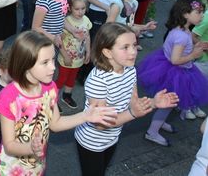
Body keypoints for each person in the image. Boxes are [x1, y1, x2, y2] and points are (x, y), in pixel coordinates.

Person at [0, 31, 117, 175]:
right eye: (45, 62)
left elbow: (55, 123)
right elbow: (9, 145)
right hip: (9, 169)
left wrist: (85, 116)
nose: (53, 67)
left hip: (37, 167)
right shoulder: (9, 96)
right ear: (25, 64)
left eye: (53, 60)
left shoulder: (50, 88)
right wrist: (30, 148)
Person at [74, 22, 179, 175]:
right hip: (92, 142)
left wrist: (154, 103)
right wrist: (133, 114)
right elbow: (100, 125)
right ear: (107, 52)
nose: (133, 52)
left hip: (113, 137)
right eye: (125, 47)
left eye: (134, 45)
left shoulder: (130, 70)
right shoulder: (98, 81)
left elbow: (134, 103)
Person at [138, 0, 208, 147]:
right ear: (185, 14)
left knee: (168, 104)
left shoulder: (183, 30)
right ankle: (152, 132)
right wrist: (194, 55)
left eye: (202, 12)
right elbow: (175, 60)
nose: (202, 15)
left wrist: (197, 47)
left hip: (174, 70)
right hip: (175, 72)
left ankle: (159, 122)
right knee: (168, 103)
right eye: (198, 12)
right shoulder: (182, 36)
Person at [56, 0, 92, 109]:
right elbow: (59, 41)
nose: (80, 12)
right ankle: (52, 100)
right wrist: (65, 55)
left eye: (83, 8)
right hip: (66, 58)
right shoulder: (66, 22)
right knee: (61, 79)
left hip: (78, 58)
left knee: (71, 79)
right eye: (77, 9)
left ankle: (66, 95)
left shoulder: (86, 20)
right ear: (70, 8)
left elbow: (87, 37)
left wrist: (88, 51)